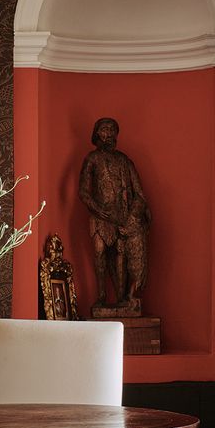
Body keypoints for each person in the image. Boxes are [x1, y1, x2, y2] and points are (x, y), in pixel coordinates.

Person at [78, 117, 150, 312]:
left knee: (121, 254)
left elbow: (139, 194)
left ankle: (121, 297)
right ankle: (101, 296)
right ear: (97, 134)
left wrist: (132, 218)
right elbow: (83, 191)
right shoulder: (92, 159)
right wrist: (96, 208)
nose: (108, 133)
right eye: (104, 129)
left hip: (121, 217)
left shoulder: (124, 160)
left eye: (112, 130)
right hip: (99, 216)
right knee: (99, 251)